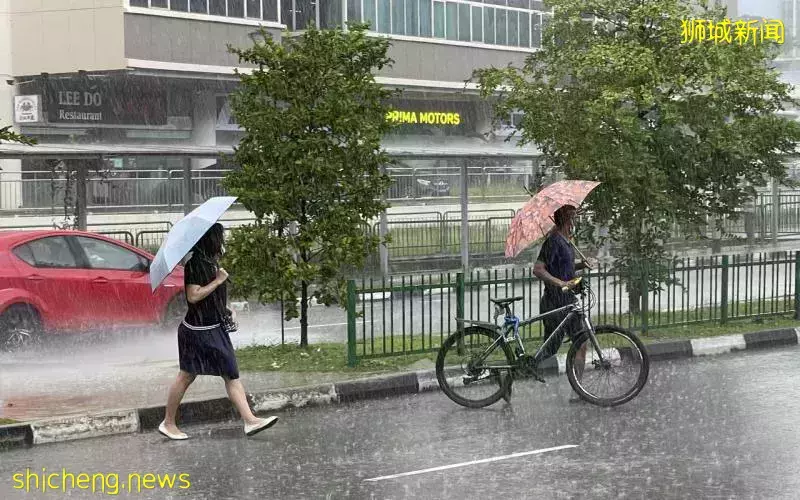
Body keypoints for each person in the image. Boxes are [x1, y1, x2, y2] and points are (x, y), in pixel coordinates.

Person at [159, 223, 279, 440]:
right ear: (210, 239)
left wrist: (225, 308)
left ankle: (250, 420)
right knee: (190, 375)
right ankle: (168, 423)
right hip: (199, 331)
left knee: (228, 373)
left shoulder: (208, 261)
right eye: (219, 237)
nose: (222, 241)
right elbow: (193, 296)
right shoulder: (196, 264)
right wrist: (219, 280)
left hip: (212, 327)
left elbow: (210, 297)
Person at [526, 205, 594, 382]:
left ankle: (579, 387)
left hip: (567, 300)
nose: (576, 220)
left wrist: (581, 265)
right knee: (557, 347)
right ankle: (519, 371)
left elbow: (563, 267)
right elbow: (539, 269)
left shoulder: (566, 241)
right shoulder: (554, 241)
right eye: (574, 217)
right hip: (555, 301)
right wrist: (561, 283)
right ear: (567, 219)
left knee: (575, 343)